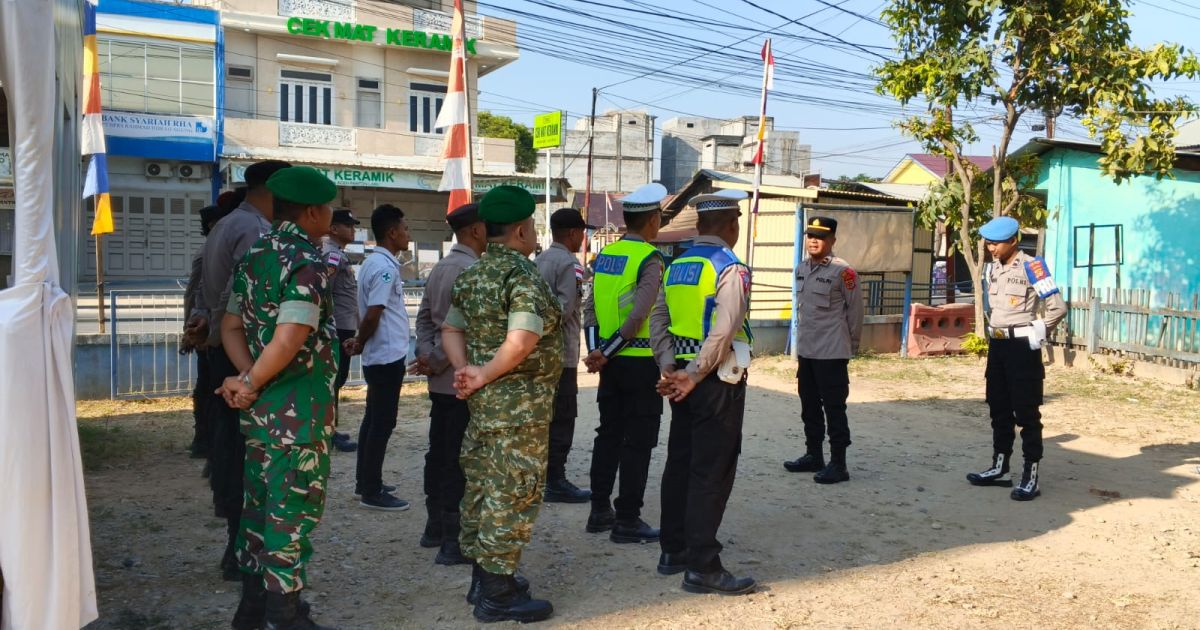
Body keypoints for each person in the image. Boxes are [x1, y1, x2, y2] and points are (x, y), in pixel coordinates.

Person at [217, 165, 338, 630]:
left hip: (261, 416)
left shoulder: (256, 254)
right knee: (291, 520)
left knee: (258, 514)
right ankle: (284, 620)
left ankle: (251, 612)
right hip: (298, 418)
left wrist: (248, 378)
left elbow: (230, 327)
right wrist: (251, 383)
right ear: (312, 212)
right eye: (327, 207)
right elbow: (289, 339)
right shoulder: (306, 261)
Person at [441, 185, 561, 623]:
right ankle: (497, 594)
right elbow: (523, 338)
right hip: (519, 409)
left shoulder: (473, 274)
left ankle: (485, 579)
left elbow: (450, 329)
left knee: (482, 489)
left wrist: (466, 371)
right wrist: (485, 373)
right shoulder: (521, 276)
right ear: (522, 230)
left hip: (485, 406)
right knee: (511, 493)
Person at [189, 159, 290, 581]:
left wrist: (203, 324)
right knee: (250, 455)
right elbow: (242, 297)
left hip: (223, 351)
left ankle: (239, 547)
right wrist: (253, 372)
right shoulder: (256, 231)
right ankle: (244, 551)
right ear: (275, 190)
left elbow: (202, 288)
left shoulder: (226, 225)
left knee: (233, 448)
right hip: (243, 354)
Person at [652, 189, 756, 596]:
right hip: (713, 380)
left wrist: (668, 366)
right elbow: (724, 328)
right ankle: (703, 565)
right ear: (733, 226)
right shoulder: (729, 267)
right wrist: (695, 373)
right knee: (711, 471)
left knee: (680, 462)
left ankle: (672, 550)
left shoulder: (677, 264)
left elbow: (658, 318)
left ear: (698, 226)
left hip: (681, 376)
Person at [581, 183, 669, 544]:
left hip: (609, 365)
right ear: (653, 219)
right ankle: (628, 519)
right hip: (639, 362)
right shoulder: (650, 258)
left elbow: (589, 308)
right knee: (638, 442)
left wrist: (597, 351)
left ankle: (599, 510)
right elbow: (640, 313)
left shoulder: (605, 256)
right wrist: (610, 350)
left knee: (609, 435)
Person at [967, 216, 1067, 501]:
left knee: (1026, 413)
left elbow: (1057, 307)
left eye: (996, 243)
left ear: (1013, 241)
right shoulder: (993, 269)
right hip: (997, 348)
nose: (990, 248)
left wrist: (1039, 330)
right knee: (998, 408)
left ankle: (1030, 477)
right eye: (988, 243)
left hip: (1022, 348)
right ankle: (1000, 469)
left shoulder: (1033, 266)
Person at [410, 202, 485, 563]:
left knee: (438, 454)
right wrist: (438, 359)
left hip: (441, 380)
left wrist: (427, 355)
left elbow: (424, 318)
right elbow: (465, 326)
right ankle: (453, 541)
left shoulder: (441, 267)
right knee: (459, 460)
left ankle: (434, 527)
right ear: (475, 230)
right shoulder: (472, 270)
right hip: (461, 378)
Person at [783, 216, 864, 484]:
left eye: (820, 236)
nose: (814, 240)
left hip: (832, 352)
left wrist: (851, 348)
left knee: (834, 408)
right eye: (810, 235)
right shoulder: (801, 268)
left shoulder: (844, 272)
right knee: (809, 406)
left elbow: (855, 313)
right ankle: (813, 455)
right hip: (807, 351)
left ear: (832, 241)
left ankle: (838, 464)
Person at [343, 204, 412, 511]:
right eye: (405, 228)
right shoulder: (384, 267)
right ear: (392, 232)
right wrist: (360, 341)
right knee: (381, 422)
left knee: (373, 419)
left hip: (381, 353)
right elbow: (373, 313)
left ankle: (366, 481)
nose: (408, 234)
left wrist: (361, 342)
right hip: (385, 354)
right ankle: (371, 489)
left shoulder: (376, 263)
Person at [534, 208, 595, 504]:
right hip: (561, 353)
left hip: (535, 352)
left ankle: (542, 475)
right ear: (572, 233)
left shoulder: (539, 260)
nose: (582, 239)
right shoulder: (571, 266)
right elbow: (565, 308)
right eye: (582, 233)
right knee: (563, 415)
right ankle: (555, 480)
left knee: (542, 415)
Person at [181, 202, 237, 461]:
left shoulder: (216, 248)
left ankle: (208, 439)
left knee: (210, 387)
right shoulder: (208, 251)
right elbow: (194, 292)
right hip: (209, 329)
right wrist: (191, 327)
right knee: (207, 388)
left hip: (214, 327)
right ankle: (202, 438)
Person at [322, 208, 361, 453]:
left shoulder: (338, 254)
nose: (352, 229)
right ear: (334, 228)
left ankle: (331, 429)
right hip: (339, 325)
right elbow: (327, 290)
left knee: (339, 379)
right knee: (334, 381)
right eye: (348, 225)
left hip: (345, 323)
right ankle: (328, 432)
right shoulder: (332, 256)